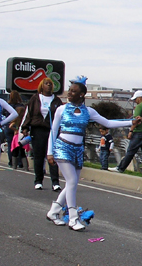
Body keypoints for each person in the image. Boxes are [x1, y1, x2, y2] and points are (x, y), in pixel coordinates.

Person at [46, 77, 133, 231]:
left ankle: (54, 211)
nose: (69, 93)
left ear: (82, 95)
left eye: (73, 91)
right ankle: (73, 218)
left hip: (78, 149)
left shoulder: (88, 111)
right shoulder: (61, 109)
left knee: (72, 183)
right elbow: (53, 131)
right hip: (62, 147)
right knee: (72, 181)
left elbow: (108, 123)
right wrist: (50, 152)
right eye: (69, 90)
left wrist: (131, 122)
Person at [20, 77, 63, 191]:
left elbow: (61, 116)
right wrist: (25, 127)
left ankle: (55, 182)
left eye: (50, 84)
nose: (49, 85)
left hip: (51, 130)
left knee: (52, 155)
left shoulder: (56, 100)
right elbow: (29, 114)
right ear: (42, 86)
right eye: (46, 83)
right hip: (37, 130)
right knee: (38, 156)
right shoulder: (35, 98)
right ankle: (38, 181)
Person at [114, 90, 142, 174]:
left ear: (139, 98)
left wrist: (131, 131)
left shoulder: (139, 107)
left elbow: (135, 121)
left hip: (138, 132)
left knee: (130, 151)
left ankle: (120, 168)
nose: (135, 101)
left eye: (135, 99)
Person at [5, 90, 24, 167]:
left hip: (9, 126)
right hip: (17, 126)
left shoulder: (7, 106)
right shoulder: (21, 106)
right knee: (19, 145)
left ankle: (11, 162)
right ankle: (19, 162)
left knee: (10, 145)